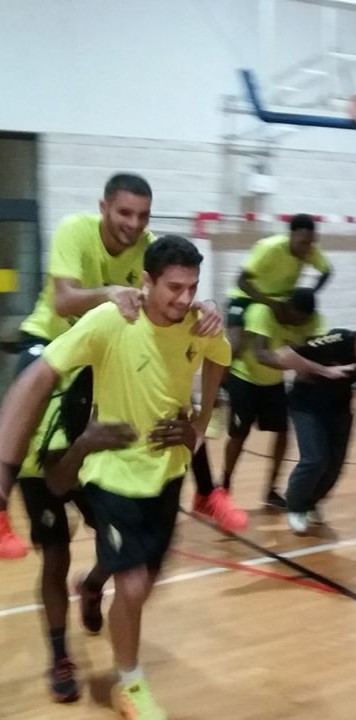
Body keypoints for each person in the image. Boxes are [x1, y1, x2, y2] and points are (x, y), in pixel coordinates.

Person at [0, 235, 231, 719]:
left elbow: (219, 357)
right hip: (111, 473)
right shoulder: (111, 320)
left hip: (167, 473)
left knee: (145, 583)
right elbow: (40, 375)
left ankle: (91, 586)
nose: (185, 298)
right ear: (145, 282)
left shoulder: (195, 321)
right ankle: (130, 683)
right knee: (129, 585)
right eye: (174, 287)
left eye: (193, 287)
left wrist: (200, 421)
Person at [0, 174, 226, 559]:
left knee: (174, 391)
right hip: (53, 335)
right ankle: (1, 505)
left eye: (143, 215)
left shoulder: (149, 247)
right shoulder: (76, 230)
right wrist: (109, 292)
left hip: (107, 347)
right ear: (103, 208)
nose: (134, 224)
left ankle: (208, 491)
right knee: (32, 380)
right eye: (125, 212)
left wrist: (206, 307)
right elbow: (62, 301)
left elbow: (175, 286)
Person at [16, 366, 132, 703]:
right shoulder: (63, 401)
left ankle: (91, 585)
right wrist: (84, 445)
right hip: (44, 470)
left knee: (124, 542)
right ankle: (59, 658)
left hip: (92, 461)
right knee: (56, 555)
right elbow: (56, 481)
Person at [282, 313, 356, 533]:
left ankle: (311, 502)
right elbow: (289, 354)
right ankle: (295, 506)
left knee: (335, 465)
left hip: (338, 408)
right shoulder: (336, 340)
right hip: (306, 403)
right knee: (315, 459)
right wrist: (318, 370)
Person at [222, 288, 324, 509]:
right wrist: (299, 363)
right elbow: (261, 354)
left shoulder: (311, 319)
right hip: (244, 378)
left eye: (305, 320)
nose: (300, 324)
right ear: (289, 307)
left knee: (282, 433)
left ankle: (271, 490)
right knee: (239, 434)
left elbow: (316, 348)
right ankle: (225, 487)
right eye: (298, 318)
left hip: (273, 382)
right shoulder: (262, 312)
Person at [225, 214, 333, 352]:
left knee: (305, 342)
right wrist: (270, 304)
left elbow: (327, 271)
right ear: (292, 235)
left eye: (311, 242)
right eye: (303, 243)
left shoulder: (311, 249)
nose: (307, 249)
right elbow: (241, 281)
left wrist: (311, 293)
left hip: (281, 300)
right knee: (236, 346)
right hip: (248, 296)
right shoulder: (269, 248)